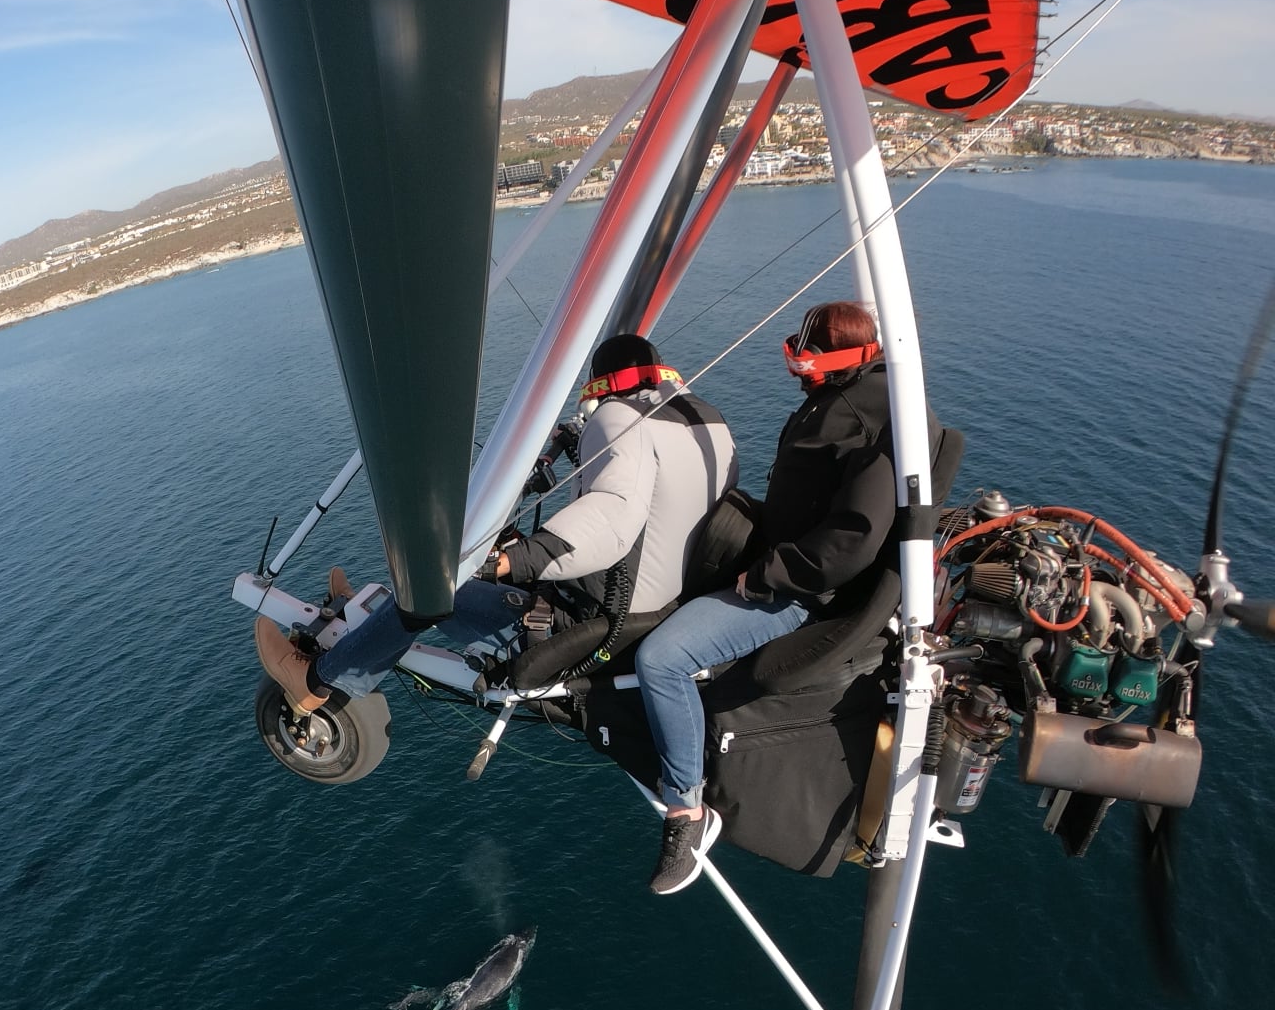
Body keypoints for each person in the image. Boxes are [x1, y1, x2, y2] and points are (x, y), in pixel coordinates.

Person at [255, 334, 737, 712]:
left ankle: (319, 680)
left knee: (430, 595)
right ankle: (350, 611)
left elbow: (612, 517)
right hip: (653, 611)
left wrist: (507, 563)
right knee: (456, 579)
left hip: (579, 630)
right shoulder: (703, 419)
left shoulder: (618, 418)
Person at [634, 300, 935, 895]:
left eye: (805, 358)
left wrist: (767, 576)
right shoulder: (852, 401)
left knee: (661, 660)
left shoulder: (868, 421)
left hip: (796, 591)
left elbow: (849, 543)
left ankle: (686, 811)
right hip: (778, 566)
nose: (796, 369)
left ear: (842, 358)